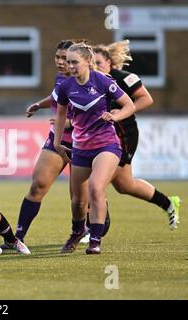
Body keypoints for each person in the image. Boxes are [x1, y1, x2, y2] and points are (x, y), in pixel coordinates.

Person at [12, 39, 112, 247]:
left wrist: (71, 121)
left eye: (64, 58)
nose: (60, 62)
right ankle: (17, 238)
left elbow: (105, 108)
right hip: (58, 140)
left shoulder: (99, 80)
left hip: (84, 143)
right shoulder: (62, 79)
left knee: (78, 200)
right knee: (38, 184)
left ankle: (89, 225)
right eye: (57, 57)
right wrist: (39, 105)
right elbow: (58, 97)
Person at [54, 43, 136, 254]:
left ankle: (95, 240)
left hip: (107, 144)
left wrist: (115, 115)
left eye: (74, 62)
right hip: (81, 147)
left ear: (88, 62)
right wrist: (57, 141)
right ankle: (76, 232)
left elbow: (129, 105)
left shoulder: (102, 81)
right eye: (68, 62)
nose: (69, 66)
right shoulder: (66, 86)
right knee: (78, 201)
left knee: (96, 188)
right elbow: (61, 113)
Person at [92, 40, 180, 231]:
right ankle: (168, 203)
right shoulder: (89, 82)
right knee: (125, 185)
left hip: (124, 136)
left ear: (109, 63)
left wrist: (122, 112)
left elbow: (146, 99)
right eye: (91, 63)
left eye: (98, 63)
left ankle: (94, 228)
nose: (95, 67)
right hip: (102, 138)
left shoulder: (123, 78)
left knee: (96, 182)